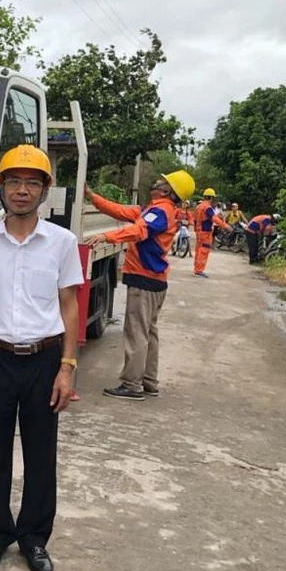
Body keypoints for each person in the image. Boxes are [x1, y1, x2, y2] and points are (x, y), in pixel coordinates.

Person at [0, 145, 81, 571]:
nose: (22, 190)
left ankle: (34, 538)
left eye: (32, 182)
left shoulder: (62, 242)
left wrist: (67, 367)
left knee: (40, 454)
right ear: (2, 187)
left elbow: (70, 305)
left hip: (44, 360)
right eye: (14, 181)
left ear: (45, 190)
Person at [84, 170, 196, 400]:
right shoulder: (153, 210)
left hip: (144, 280)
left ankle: (132, 385)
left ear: (168, 191)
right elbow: (120, 211)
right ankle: (148, 381)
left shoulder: (160, 212)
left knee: (136, 332)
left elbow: (138, 230)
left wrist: (107, 237)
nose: (156, 182)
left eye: (162, 181)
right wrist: (92, 197)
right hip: (154, 280)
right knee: (148, 332)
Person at [192, 188, 231, 277]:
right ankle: (199, 270)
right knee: (204, 251)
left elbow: (194, 219)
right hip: (205, 232)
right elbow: (214, 218)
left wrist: (196, 229)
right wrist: (225, 226)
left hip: (199, 231)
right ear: (211, 198)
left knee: (198, 251)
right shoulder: (207, 208)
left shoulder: (198, 206)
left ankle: (196, 269)